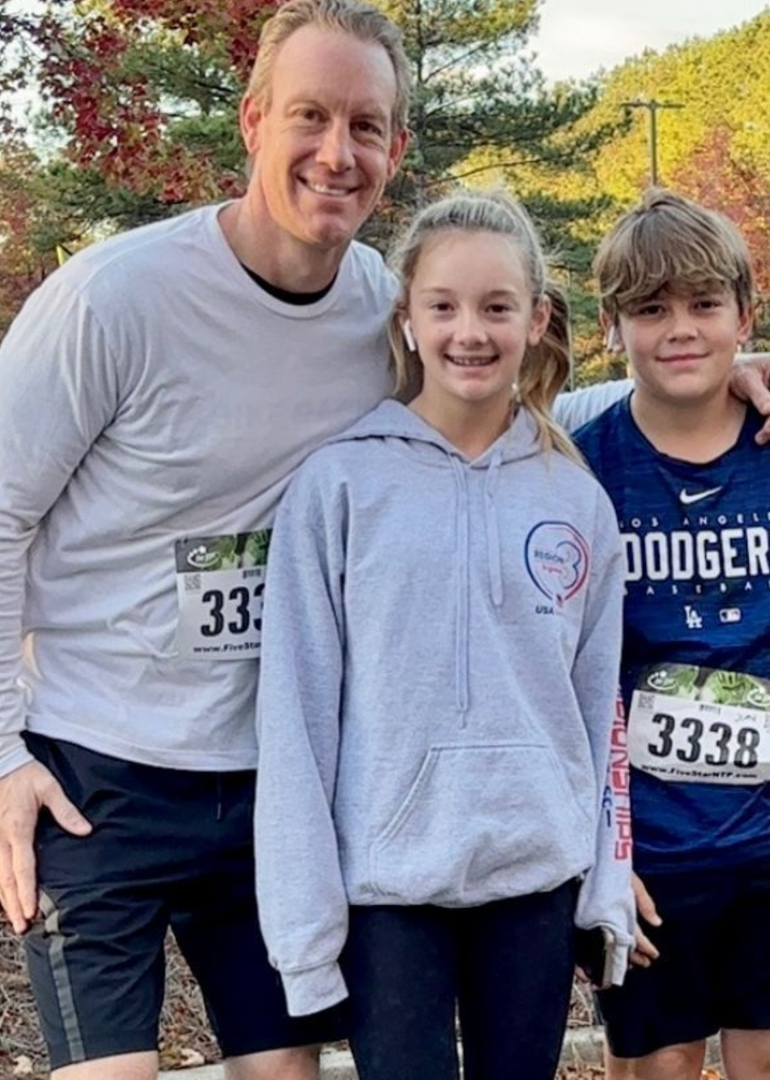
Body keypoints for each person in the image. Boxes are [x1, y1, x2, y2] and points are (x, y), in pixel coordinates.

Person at [0, 3, 770, 1075]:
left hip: (265, 785)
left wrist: (731, 382)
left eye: (365, 125)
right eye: (309, 115)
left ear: (396, 150)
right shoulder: (111, 301)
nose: (335, 152)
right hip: (104, 772)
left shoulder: (376, 304)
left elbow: (499, 431)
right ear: (254, 120)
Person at [254, 192, 635, 1080]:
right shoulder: (341, 486)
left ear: (537, 319)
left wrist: (604, 886)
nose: (471, 331)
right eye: (445, 306)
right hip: (387, 892)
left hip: (533, 882)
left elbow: (598, 712)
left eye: (498, 307)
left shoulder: (575, 499)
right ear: (408, 318)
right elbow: (298, 719)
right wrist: (305, 932)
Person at [573, 189, 770, 1080]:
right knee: (656, 1067)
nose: (681, 330)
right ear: (613, 324)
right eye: (651, 309)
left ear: (745, 316)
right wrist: (599, 850)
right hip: (651, 848)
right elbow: (567, 678)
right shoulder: (582, 472)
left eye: (705, 305)